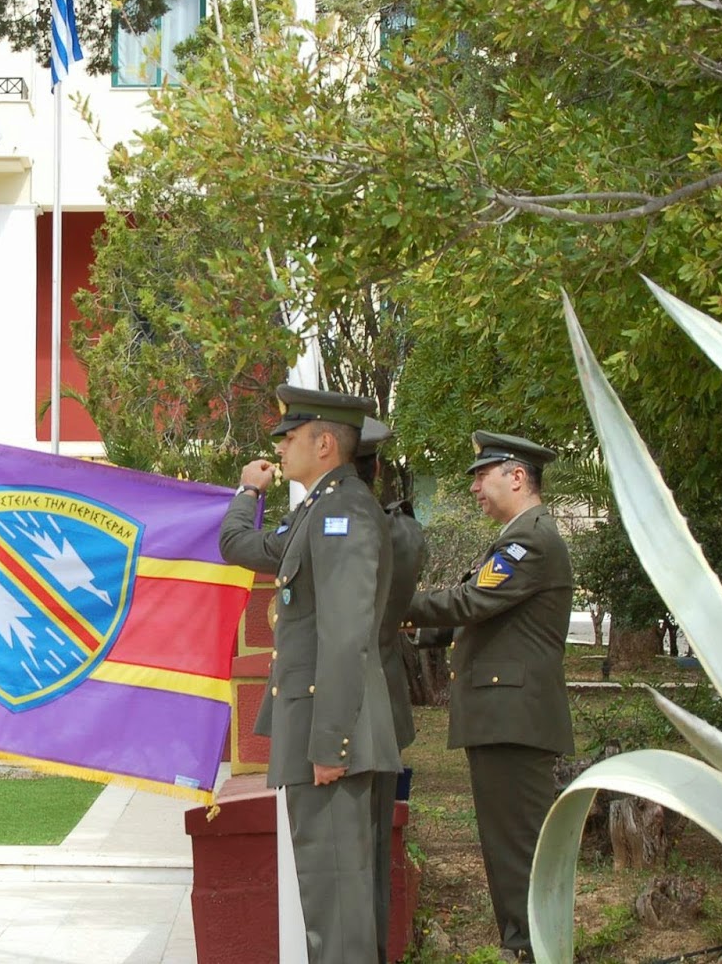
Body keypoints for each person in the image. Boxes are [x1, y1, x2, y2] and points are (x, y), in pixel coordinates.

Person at [219, 385, 400, 964]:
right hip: (325, 729)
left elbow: (345, 638)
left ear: (324, 443)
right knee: (334, 903)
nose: (282, 446)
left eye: (291, 436)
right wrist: (248, 491)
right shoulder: (319, 510)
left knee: (338, 909)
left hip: (332, 736)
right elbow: (239, 544)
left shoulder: (342, 512)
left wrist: (331, 744)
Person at [404, 431, 574, 963]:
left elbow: (472, 601)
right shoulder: (516, 536)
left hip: (513, 718)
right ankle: (524, 946)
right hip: (503, 716)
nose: (475, 486)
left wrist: (388, 603)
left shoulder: (532, 539)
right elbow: (476, 612)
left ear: (517, 476)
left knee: (520, 850)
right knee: (509, 849)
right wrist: (411, 626)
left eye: (482, 474)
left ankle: (531, 950)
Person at [355, 417, 428, 963]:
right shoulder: (402, 531)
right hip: (385, 706)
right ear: (377, 467)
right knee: (374, 853)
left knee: (343, 861)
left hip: (339, 711)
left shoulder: (333, 528)